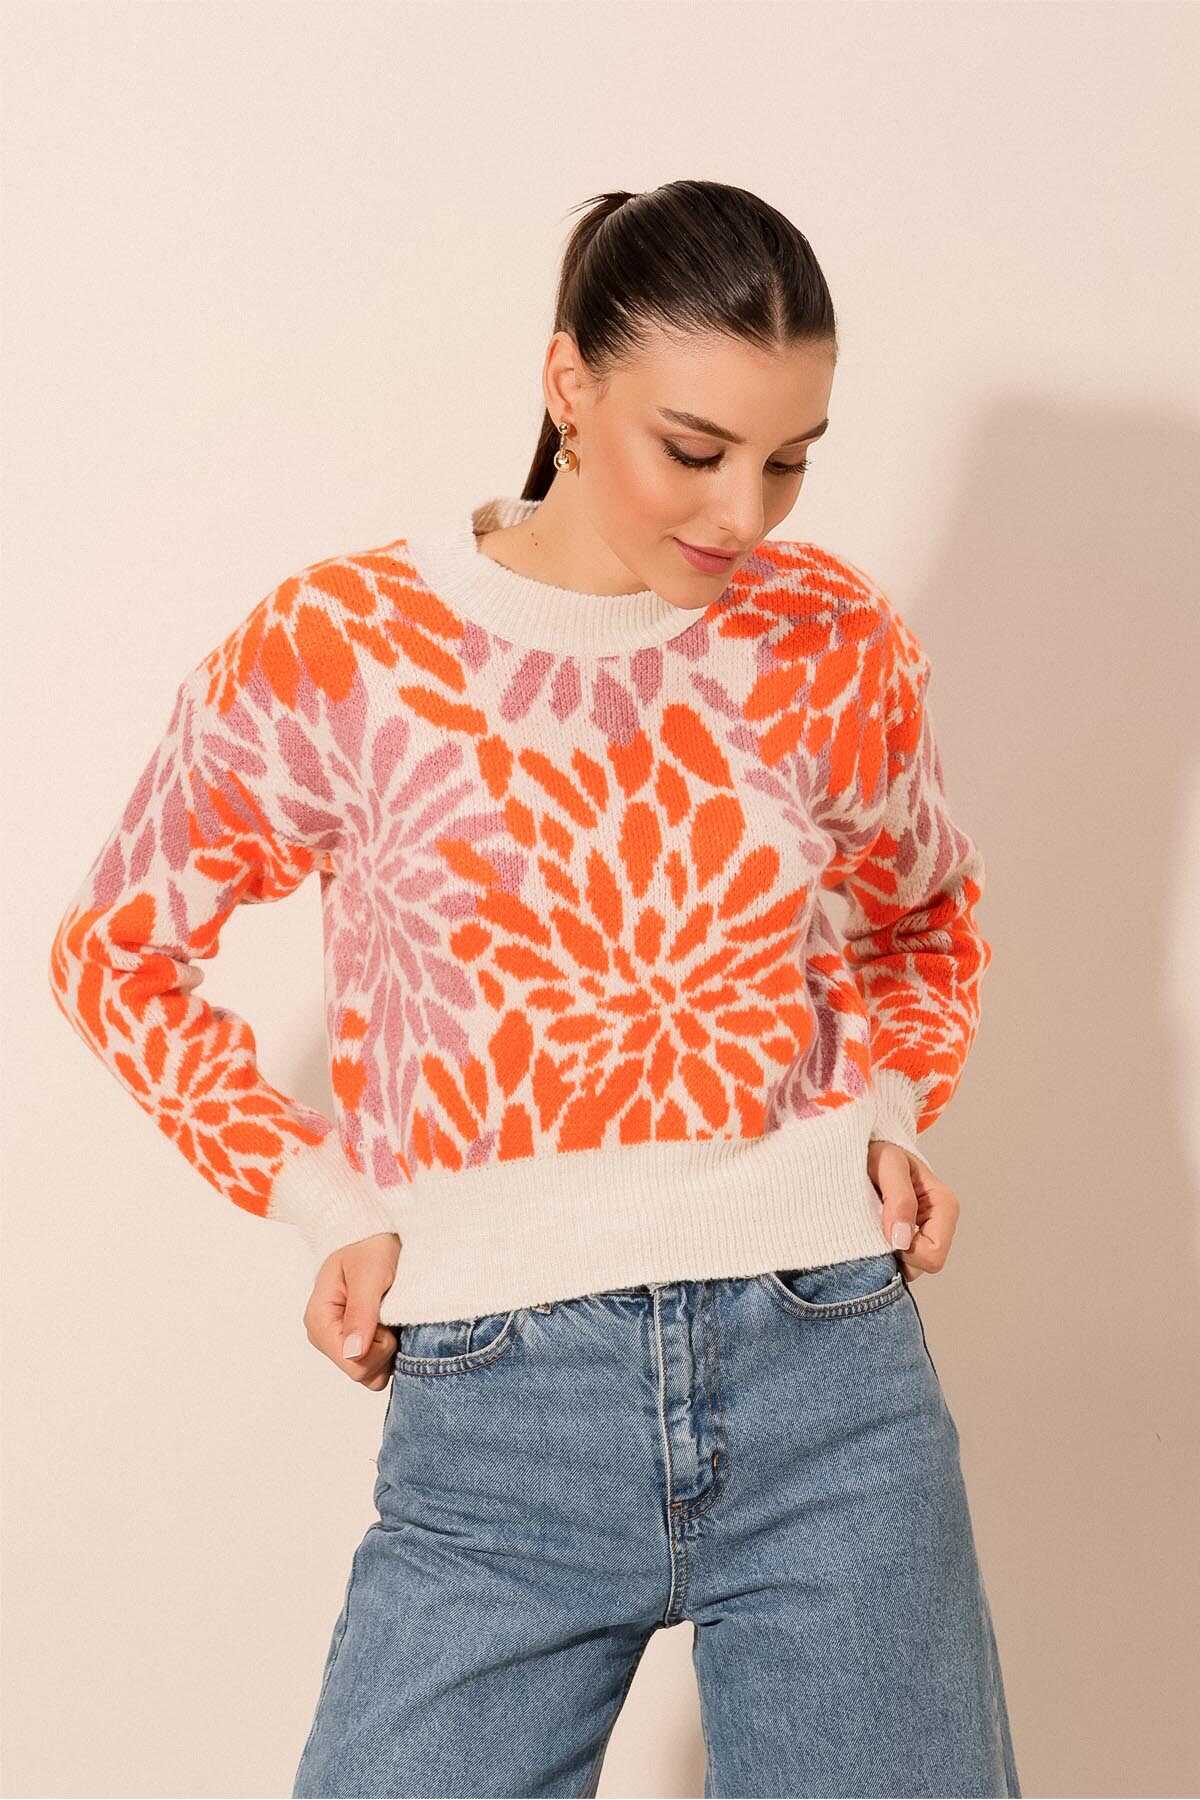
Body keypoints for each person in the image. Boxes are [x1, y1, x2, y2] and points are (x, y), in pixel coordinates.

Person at [48, 179, 1021, 1797]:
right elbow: (116, 951)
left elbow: (926, 916)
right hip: (496, 1415)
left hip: (831, 1376)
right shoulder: (348, 644)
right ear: (569, 383)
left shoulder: (831, 635)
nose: (745, 514)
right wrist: (317, 1194)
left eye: (790, 459)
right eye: (695, 450)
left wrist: (892, 1108)